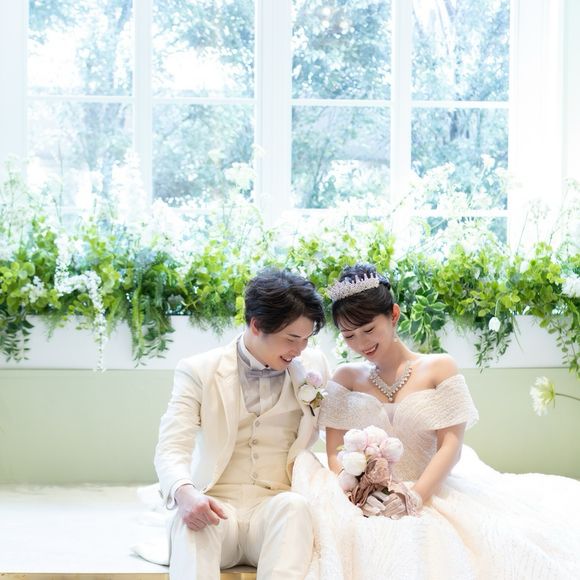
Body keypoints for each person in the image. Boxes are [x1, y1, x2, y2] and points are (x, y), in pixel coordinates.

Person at [292, 263, 580, 580]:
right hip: (364, 498)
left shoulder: (440, 368)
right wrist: (358, 493)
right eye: (349, 335)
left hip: (429, 489)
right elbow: (335, 454)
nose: (361, 343)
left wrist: (414, 497)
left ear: (393, 315)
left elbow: (450, 447)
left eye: (369, 329)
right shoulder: (345, 377)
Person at [154, 268, 330, 579]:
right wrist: (185, 493)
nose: (299, 350)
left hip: (274, 511)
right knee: (191, 520)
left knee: (295, 507)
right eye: (292, 338)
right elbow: (171, 447)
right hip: (218, 507)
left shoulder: (312, 367)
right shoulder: (199, 370)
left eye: (306, 339)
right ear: (256, 324)